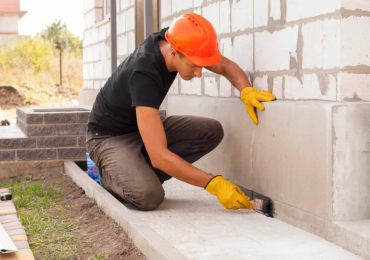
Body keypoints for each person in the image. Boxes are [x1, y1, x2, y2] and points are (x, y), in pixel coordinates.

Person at [86, 13, 276, 211]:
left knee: (211, 130)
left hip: (138, 127)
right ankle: (111, 176)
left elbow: (225, 66)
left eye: (201, 66)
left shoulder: (179, 40)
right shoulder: (144, 75)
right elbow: (159, 156)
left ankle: (140, 172)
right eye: (194, 66)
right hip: (108, 138)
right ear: (174, 53)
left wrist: (246, 91)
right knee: (148, 196)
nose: (199, 73)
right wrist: (214, 184)